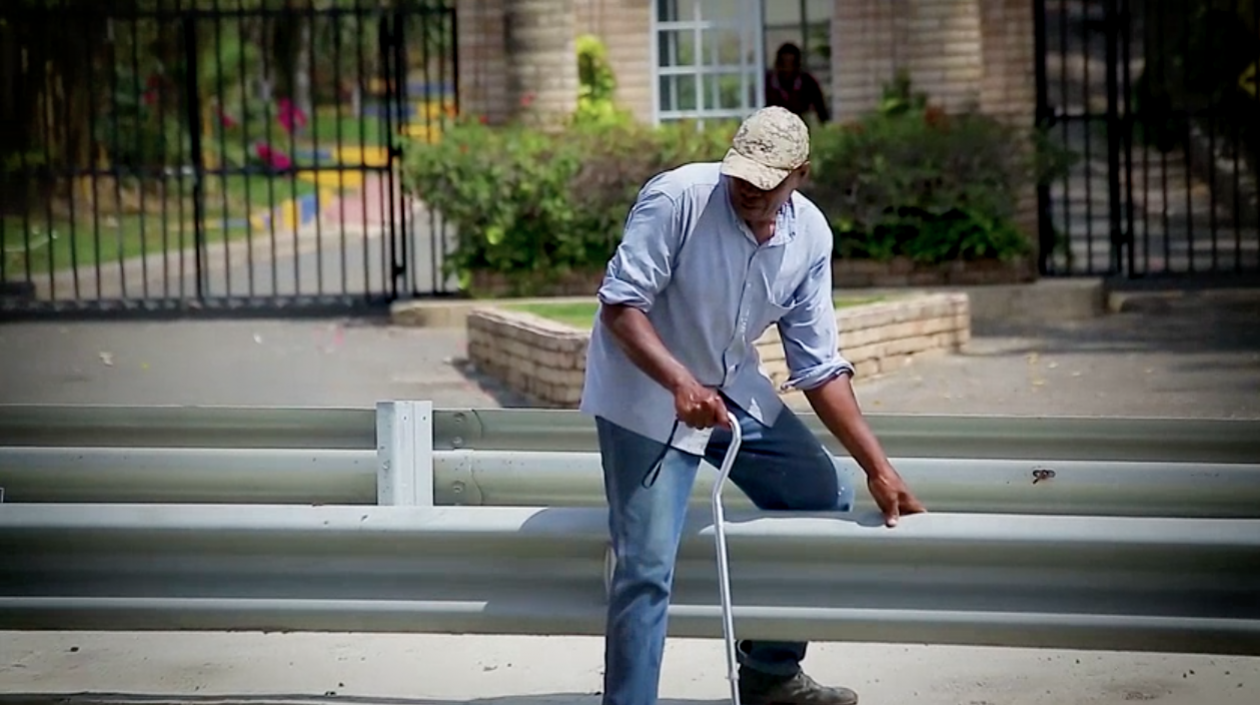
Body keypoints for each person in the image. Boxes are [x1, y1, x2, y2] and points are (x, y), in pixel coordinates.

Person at [579, 106, 926, 705]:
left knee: (818, 492)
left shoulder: (811, 234)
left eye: (768, 182)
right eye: (742, 176)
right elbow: (620, 307)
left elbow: (817, 366)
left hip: (732, 390)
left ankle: (771, 674)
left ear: (800, 175)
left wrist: (878, 466)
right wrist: (679, 384)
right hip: (644, 391)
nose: (750, 191)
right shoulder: (677, 198)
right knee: (646, 566)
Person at [765, 43, 830, 123]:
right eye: (784, 64)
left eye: (791, 64)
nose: (787, 69)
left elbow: (820, 106)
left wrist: (824, 123)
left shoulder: (807, 81)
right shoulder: (768, 81)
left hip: (799, 123)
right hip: (772, 124)